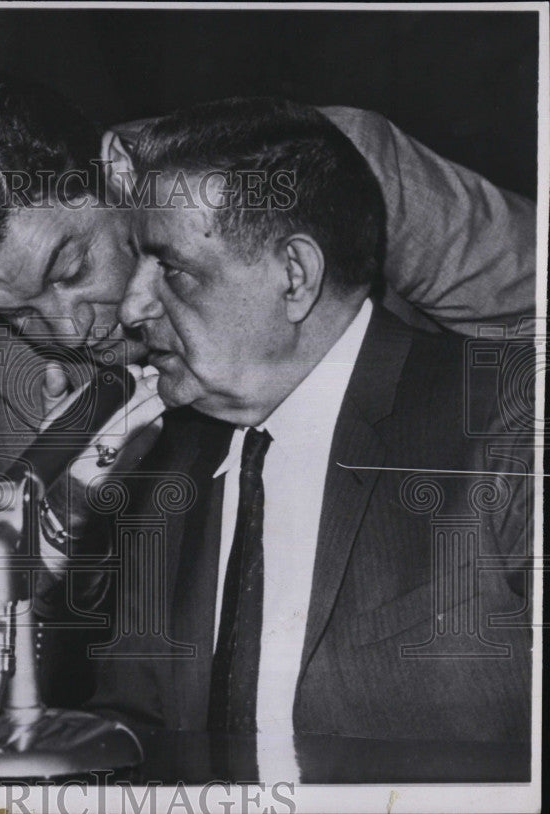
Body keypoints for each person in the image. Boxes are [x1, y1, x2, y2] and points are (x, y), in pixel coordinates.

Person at [94, 97, 532, 779]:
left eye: (170, 267)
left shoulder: (506, 425)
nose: (131, 306)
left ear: (293, 277)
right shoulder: (163, 474)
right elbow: (136, 736)